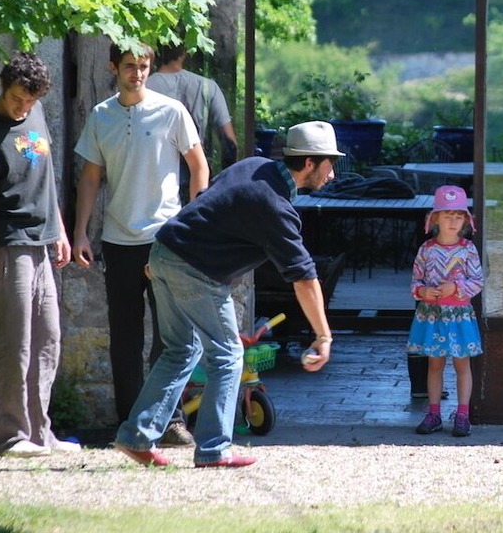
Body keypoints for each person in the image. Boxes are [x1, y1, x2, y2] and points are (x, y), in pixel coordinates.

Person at [113, 121, 341, 467]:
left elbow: (203, 204)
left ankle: (137, 436)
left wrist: (163, 262)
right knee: (227, 355)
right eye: (329, 164)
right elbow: (305, 278)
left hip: (164, 252)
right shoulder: (275, 206)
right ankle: (212, 450)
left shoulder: (253, 167)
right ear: (309, 163)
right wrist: (323, 336)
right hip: (192, 269)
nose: (333, 174)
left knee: (180, 351)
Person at [73, 44, 208, 446]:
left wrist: (193, 224)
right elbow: (91, 177)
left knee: (171, 338)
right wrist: (80, 232)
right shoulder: (101, 115)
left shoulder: (172, 111)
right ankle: (130, 423)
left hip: (164, 239)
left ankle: (169, 421)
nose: (138, 73)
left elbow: (198, 165)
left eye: (144, 66)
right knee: (125, 338)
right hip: (118, 240)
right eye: (130, 66)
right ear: (113, 67)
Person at [0, 53, 77, 458]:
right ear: (3, 86)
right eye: (16, 99)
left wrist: (59, 229)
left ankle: (40, 433)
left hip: (41, 242)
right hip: (5, 245)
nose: (22, 108)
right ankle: (8, 436)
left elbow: (45, 177)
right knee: (13, 341)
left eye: (29, 100)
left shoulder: (34, 110)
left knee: (47, 339)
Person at [408, 185, 484, 438]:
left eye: (458, 216)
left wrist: (456, 287)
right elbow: (415, 282)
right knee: (434, 365)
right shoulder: (426, 249)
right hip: (432, 316)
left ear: (466, 221)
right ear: (435, 219)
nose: (453, 221)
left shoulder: (468, 249)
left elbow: (478, 281)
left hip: (459, 316)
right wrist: (423, 292)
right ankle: (434, 414)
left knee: (462, 364)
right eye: (447, 215)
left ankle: (462, 414)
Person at [146, 45, 238, 200]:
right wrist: (225, 185)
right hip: (200, 182)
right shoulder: (208, 87)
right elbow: (230, 144)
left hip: (156, 182)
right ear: (184, 53)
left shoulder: (145, 88)